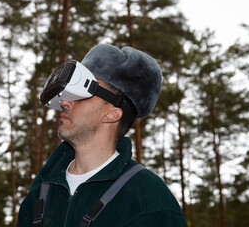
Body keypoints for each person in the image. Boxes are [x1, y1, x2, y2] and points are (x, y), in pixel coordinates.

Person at [16, 44, 188, 227]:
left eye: (81, 94)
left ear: (112, 114)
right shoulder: (43, 186)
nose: (65, 102)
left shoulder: (147, 198)